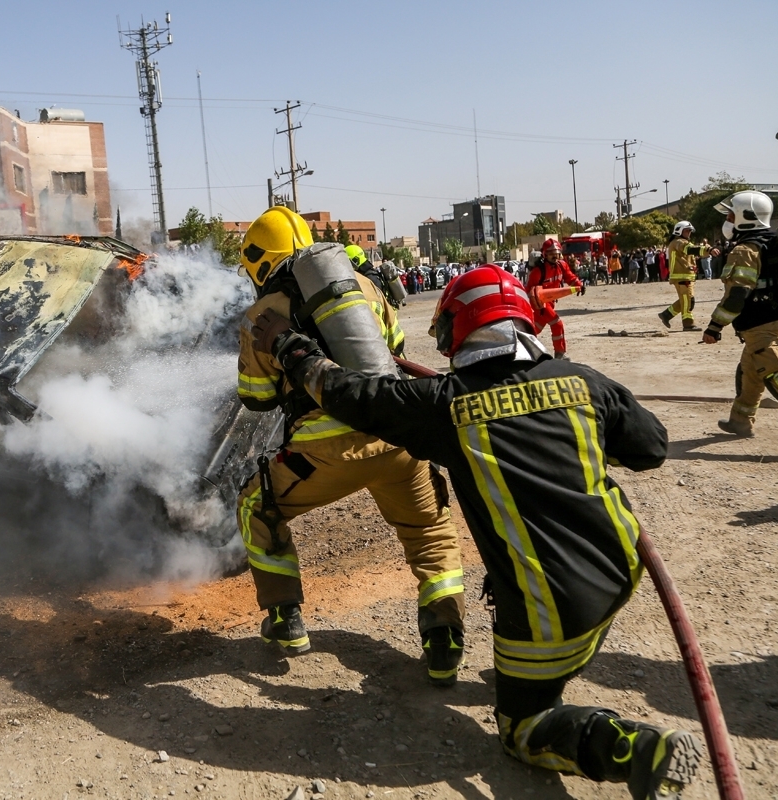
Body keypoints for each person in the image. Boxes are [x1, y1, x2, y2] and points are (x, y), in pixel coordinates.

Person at [252, 265, 701, 800]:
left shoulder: (445, 406)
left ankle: (635, 748)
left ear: (453, 332)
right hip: (620, 571)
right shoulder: (584, 382)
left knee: (525, 729)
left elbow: (352, 395)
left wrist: (289, 346)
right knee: (527, 642)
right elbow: (650, 448)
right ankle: (533, 673)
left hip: (550, 607)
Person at [235, 206, 468, 684]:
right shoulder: (365, 288)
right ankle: (444, 635)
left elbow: (255, 400)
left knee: (255, 506)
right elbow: (396, 350)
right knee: (428, 529)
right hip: (398, 438)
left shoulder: (262, 314)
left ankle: (285, 620)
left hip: (322, 456)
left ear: (259, 261)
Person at [702, 190, 778, 455]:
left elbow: (737, 295)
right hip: (776, 321)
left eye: (730, 215)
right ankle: (740, 421)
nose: (726, 220)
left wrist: (714, 327)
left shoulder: (745, 250)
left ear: (745, 217)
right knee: (750, 373)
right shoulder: (775, 242)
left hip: (760, 327)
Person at [526, 238, 583, 359]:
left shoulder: (561, 265)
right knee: (557, 324)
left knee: (535, 328)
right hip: (540, 305)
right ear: (545, 255)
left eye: (557, 253)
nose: (555, 256)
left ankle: (521, 345)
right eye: (551, 254)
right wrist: (537, 304)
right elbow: (529, 291)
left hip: (550, 303)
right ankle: (560, 354)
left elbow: (570, 277)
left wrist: (579, 285)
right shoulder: (538, 271)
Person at [659, 222, 719, 331]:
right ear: (679, 231)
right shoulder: (679, 242)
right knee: (689, 301)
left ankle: (666, 315)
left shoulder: (679, 242)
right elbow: (689, 249)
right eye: (687, 230)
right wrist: (708, 250)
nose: (689, 233)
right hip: (682, 277)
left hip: (683, 277)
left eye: (690, 231)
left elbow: (691, 251)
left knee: (684, 299)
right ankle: (688, 324)